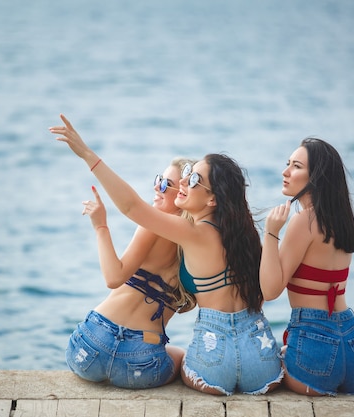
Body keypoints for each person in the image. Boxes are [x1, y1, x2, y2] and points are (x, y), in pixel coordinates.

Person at [51, 114, 283, 396]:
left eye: (192, 179)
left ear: (213, 198)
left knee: (188, 360)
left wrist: (89, 157)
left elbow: (131, 208)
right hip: (248, 355)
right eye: (180, 179)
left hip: (100, 348)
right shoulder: (239, 238)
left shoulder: (189, 232)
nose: (181, 185)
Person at [65, 156, 197, 389]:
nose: (157, 186)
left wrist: (101, 227)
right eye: (159, 179)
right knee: (180, 355)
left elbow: (113, 277)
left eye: (166, 184)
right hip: (140, 361)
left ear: (183, 194)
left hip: (90, 345)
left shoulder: (154, 224)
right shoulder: (202, 245)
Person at [260, 137, 354, 396]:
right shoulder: (341, 219)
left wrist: (271, 233)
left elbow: (270, 290)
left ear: (316, 177)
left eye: (296, 166)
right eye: (287, 163)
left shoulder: (304, 220)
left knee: (260, 368)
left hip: (316, 349)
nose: (285, 171)